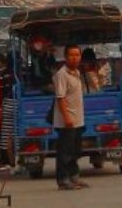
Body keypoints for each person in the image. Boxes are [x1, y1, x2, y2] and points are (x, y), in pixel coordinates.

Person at [53, 44, 88, 191]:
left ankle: (74, 177)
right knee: (65, 152)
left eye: (77, 55)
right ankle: (63, 180)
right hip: (66, 122)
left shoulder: (77, 73)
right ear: (66, 57)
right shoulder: (62, 74)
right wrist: (67, 118)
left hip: (78, 119)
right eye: (72, 55)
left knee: (75, 151)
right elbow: (60, 98)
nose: (75, 58)